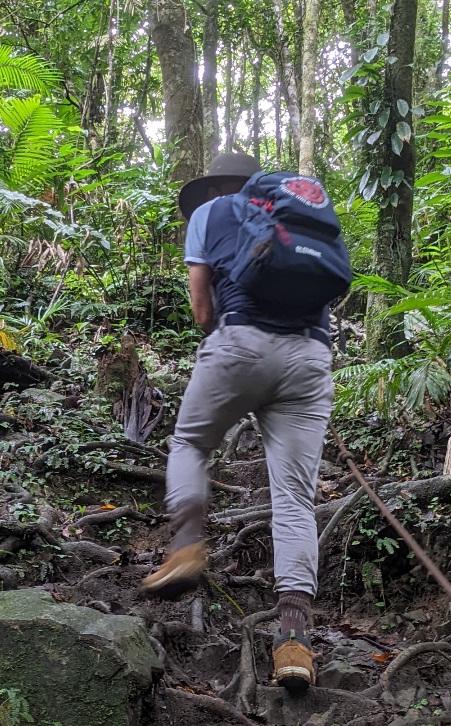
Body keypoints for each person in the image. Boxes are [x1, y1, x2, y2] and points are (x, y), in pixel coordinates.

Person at [140, 151, 338, 696]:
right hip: (309, 358)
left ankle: (185, 547)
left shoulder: (210, 215)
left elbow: (203, 312)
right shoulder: (296, 213)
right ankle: (294, 640)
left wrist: (233, 363)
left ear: (213, 188)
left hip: (238, 344)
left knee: (191, 442)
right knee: (295, 498)